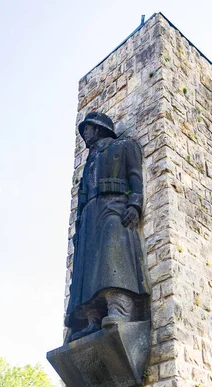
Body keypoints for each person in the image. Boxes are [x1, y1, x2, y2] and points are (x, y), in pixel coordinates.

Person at [65, 112, 150, 342]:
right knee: (86, 268)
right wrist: (79, 228)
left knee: (113, 256)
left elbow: (135, 176)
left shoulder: (124, 146)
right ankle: (92, 319)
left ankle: (119, 309)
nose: (85, 134)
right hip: (89, 215)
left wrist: (135, 204)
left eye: (88, 128)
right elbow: (82, 195)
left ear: (99, 128)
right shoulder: (88, 162)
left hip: (114, 206)